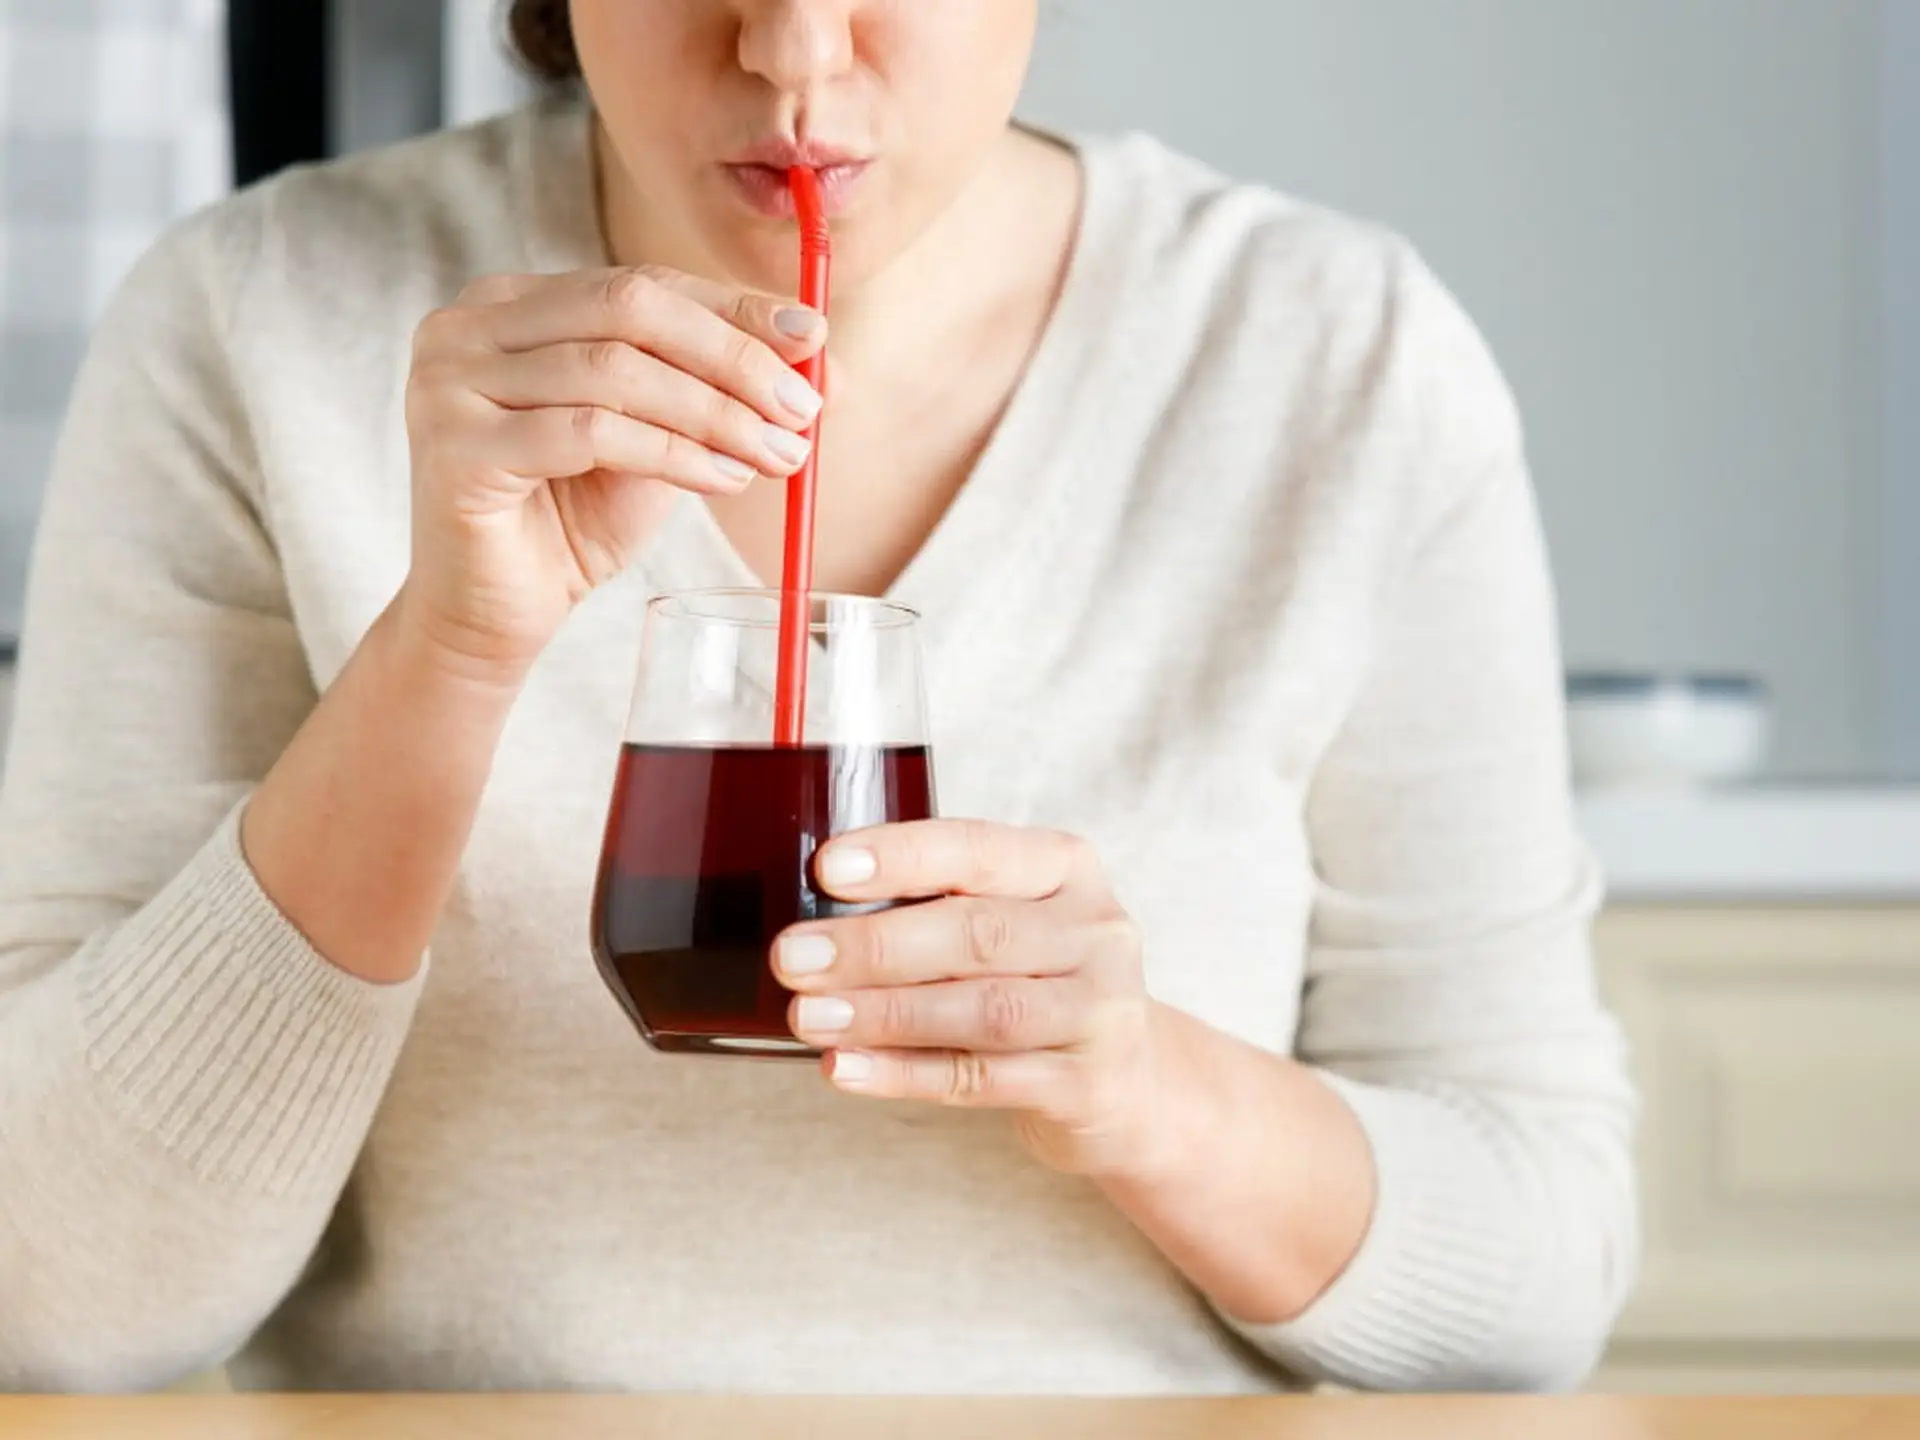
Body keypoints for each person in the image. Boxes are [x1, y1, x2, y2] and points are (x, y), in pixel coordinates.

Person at [0, 0, 1636, 1395]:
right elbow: (57, 1297)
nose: (790, 52)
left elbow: (1540, 1267)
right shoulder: (254, 321)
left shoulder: (1336, 358)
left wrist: (1136, 1082)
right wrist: (449, 651)